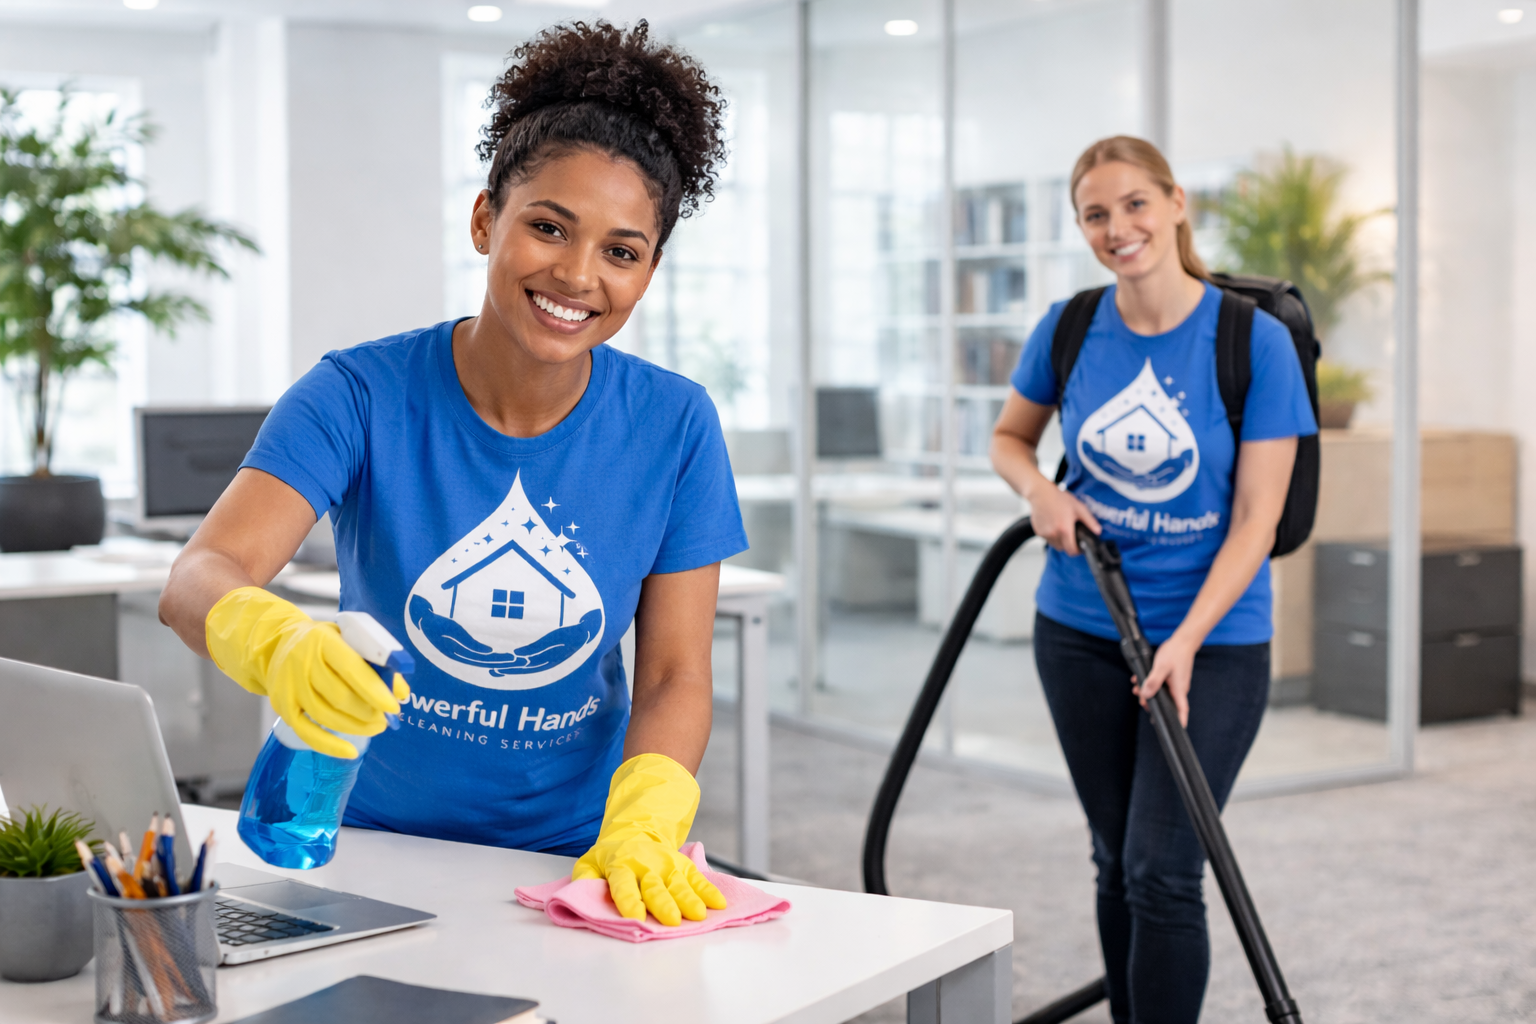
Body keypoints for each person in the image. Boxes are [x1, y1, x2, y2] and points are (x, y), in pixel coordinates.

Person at [159, 21, 744, 928]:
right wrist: (277, 643)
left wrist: (644, 825)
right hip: (367, 845)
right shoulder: (357, 392)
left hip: (572, 858)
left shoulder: (674, 424)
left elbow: (674, 674)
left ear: (650, 269)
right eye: (549, 227)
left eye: (622, 251)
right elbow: (199, 577)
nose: (578, 275)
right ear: (485, 221)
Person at [990, 136, 1316, 1023]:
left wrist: (1182, 641)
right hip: (1082, 630)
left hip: (1213, 641)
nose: (1117, 228)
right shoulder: (1072, 325)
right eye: (1095, 214)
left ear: (1176, 204)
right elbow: (1009, 439)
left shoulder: (1253, 342)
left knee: (1163, 869)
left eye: (1134, 204)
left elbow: (1257, 519)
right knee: (1113, 856)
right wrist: (1042, 493)